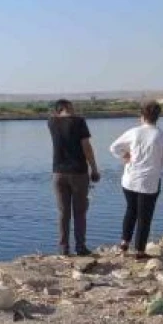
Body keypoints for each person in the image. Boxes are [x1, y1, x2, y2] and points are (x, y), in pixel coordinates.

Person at [110, 102, 163, 260]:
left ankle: (124, 244)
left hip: (129, 180)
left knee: (131, 210)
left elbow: (114, 147)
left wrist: (126, 156)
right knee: (144, 217)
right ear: (157, 117)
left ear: (142, 116)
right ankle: (139, 250)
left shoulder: (134, 132)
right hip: (149, 182)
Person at [48, 99, 101, 256]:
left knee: (63, 212)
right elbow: (86, 146)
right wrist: (94, 168)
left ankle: (64, 248)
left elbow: (56, 117)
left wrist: (59, 113)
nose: (75, 109)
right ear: (66, 107)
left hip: (58, 173)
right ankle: (80, 247)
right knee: (80, 212)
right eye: (72, 107)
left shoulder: (51, 122)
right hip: (78, 172)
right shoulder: (79, 121)